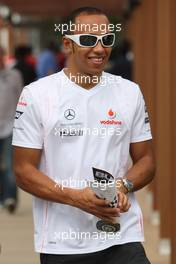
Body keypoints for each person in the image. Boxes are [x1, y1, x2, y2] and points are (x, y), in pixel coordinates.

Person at [12, 6, 155, 264]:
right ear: (68, 44)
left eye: (106, 40)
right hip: (62, 244)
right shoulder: (37, 95)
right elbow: (23, 170)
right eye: (88, 40)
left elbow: (146, 161)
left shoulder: (130, 92)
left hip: (123, 237)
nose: (99, 49)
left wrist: (121, 186)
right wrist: (77, 198)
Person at [0, 46, 23, 213]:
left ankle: (10, 198)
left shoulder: (14, 75)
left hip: (9, 126)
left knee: (9, 165)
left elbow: (21, 100)